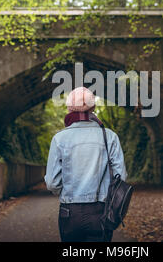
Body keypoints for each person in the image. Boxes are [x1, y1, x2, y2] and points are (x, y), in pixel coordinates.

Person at [44, 87, 127, 242]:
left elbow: (52, 183)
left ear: (69, 109)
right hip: (101, 211)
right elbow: (121, 176)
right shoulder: (110, 137)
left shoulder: (59, 139)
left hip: (69, 212)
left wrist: (67, 193)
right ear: (93, 108)